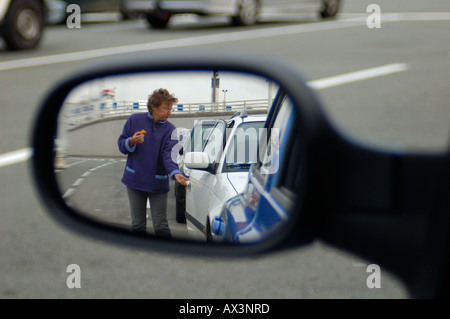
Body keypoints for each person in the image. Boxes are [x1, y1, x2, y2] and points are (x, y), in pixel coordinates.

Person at [118, 88, 189, 238]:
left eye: (171, 109)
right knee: (137, 225)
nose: (170, 112)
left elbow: (169, 155)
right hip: (134, 180)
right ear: (153, 107)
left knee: (161, 225)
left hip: (158, 183)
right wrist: (130, 141)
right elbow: (121, 145)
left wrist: (175, 173)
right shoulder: (134, 120)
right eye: (166, 108)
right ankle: (139, 258)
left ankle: (167, 257)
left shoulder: (171, 130)